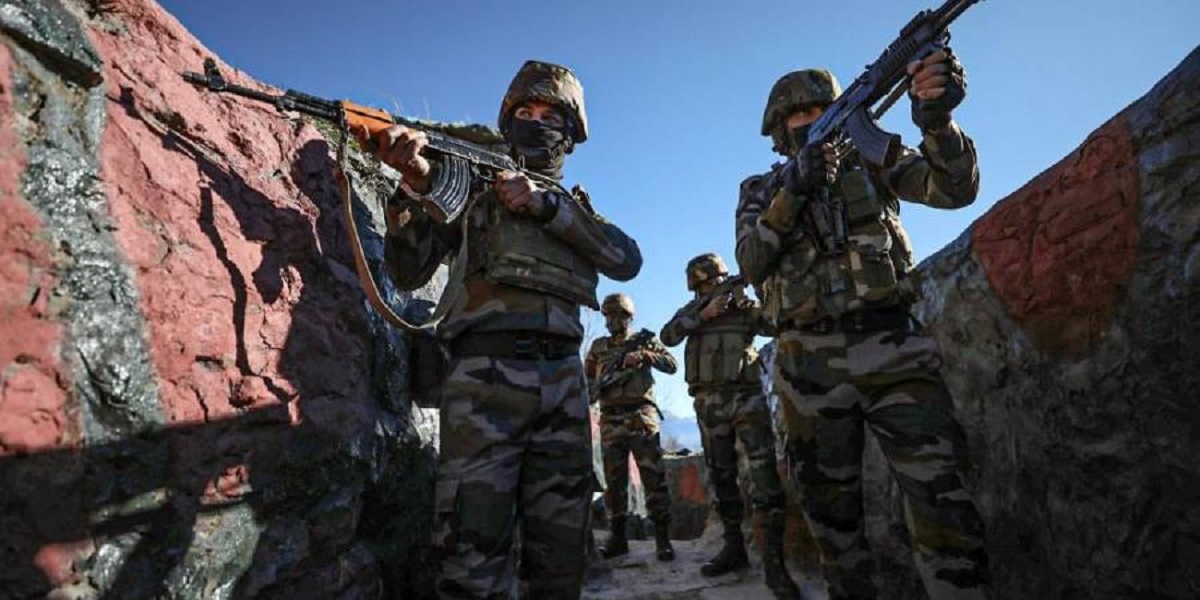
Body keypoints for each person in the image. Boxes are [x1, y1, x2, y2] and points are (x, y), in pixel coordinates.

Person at [355, 60, 642, 600]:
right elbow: (406, 270)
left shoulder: (574, 209)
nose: (535, 124)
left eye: (550, 116)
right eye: (524, 113)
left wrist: (545, 207)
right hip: (484, 379)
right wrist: (414, 183)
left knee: (561, 557)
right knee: (471, 551)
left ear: (570, 134)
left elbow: (626, 260)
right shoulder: (469, 188)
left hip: (564, 384)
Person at [735, 50, 991, 600]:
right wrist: (793, 192)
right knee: (833, 524)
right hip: (807, 364)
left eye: (818, 110)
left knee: (945, 503)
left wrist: (937, 122)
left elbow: (954, 190)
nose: (808, 120)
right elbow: (752, 261)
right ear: (779, 131)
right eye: (796, 115)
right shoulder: (760, 190)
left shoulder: (872, 160)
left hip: (893, 344)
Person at [660, 253, 801, 599]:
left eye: (720, 281)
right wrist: (703, 315)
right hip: (708, 403)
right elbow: (668, 336)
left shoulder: (742, 307)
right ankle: (734, 548)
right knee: (721, 479)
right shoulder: (690, 311)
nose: (717, 286)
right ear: (698, 286)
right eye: (710, 283)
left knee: (765, 480)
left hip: (746, 399)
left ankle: (774, 563)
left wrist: (754, 304)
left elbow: (775, 324)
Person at [585, 293, 677, 562]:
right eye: (609, 316)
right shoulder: (598, 347)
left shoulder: (644, 341)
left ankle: (663, 540)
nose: (613, 321)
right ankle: (618, 539)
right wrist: (596, 389)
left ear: (629, 316)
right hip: (610, 419)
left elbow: (672, 364)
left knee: (653, 479)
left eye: (619, 315)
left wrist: (645, 356)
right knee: (614, 483)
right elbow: (587, 380)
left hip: (641, 417)